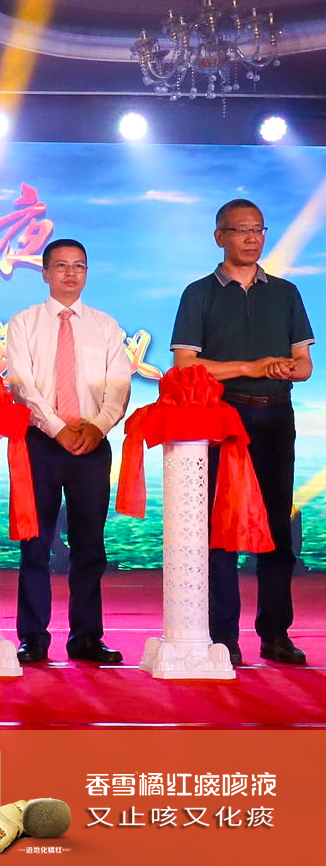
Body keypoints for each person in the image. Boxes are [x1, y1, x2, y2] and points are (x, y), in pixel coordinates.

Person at [170, 199, 314, 666]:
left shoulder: (286, 293)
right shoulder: (199, 293)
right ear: (220, 237)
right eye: (240, 230)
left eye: (258, 230)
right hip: (222, 418)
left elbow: (305, 365)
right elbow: (186, 367)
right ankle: (223, 637)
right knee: (222, 529)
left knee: (276, 527)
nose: (251, 239)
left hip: (276, 418)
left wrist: (286, 369)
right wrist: (250, 367)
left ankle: (275, 634)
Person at [5, 238, 131, 665]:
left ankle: (87, 638)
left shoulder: (106, 326)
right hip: (41, 443)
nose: (70, 273)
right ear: (45, 273)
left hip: (93, 443)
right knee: (35, 543)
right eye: (61, 266)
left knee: (89, 545)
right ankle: (33, 638)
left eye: (79, 265)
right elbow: (22, 385)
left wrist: (98, 427)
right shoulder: (23, 323)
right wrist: (58, 429)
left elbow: (119, 385)